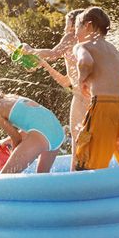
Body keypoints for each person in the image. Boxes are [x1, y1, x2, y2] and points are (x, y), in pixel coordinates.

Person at [73, 7, 119, 170]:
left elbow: (86, 62)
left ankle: (90, 194)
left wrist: (81, 80)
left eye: (77, 28)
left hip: (105, 107)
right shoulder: (116, 51)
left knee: (89, 163)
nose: (75, 34)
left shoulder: (83, 46)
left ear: (88, 26)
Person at [22, 9, 89, 169]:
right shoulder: (83, 43)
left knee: (77, 138)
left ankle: (75, 175)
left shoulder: (72, 37)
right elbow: (67, 82)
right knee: (84, 138)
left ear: (74, 24)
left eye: (67, 24)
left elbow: (53, 53)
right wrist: (45, 66)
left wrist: (31, 50)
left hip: (82, 98)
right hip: (84, 95)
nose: (65, 29)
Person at [0, 76, 65, 174]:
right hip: (57, 130)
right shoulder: (10, 97)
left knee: (5, 178)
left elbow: (16, 137)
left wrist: (12, 155)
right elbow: (32, 127)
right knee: (42, 176)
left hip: (43, 133)